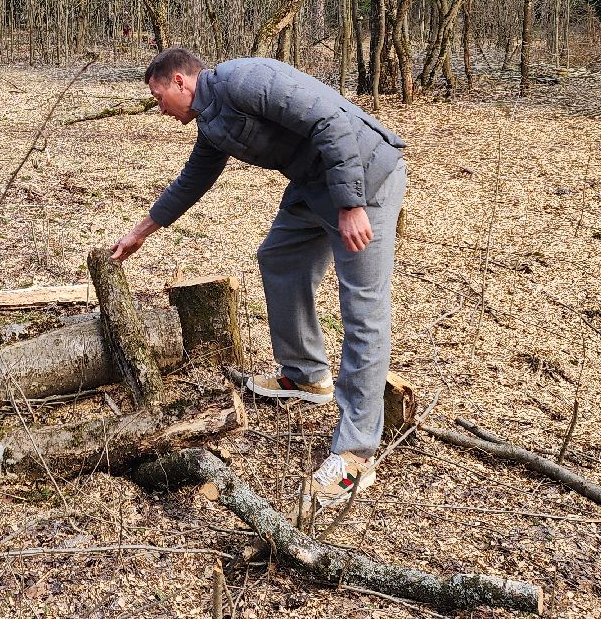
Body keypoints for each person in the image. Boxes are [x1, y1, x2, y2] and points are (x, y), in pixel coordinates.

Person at [110, 47, 408, 505]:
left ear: (178, 81)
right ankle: (306, 374)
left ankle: (355, 455)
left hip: (365, 178)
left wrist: (351, 205)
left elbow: (331, 120)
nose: (159, 109)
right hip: (314, 186)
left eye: (158, 97)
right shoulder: (212, 120)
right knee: (279, 257)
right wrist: (141, 232)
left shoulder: (247, 80)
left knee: (363, 309)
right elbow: (193, 180)